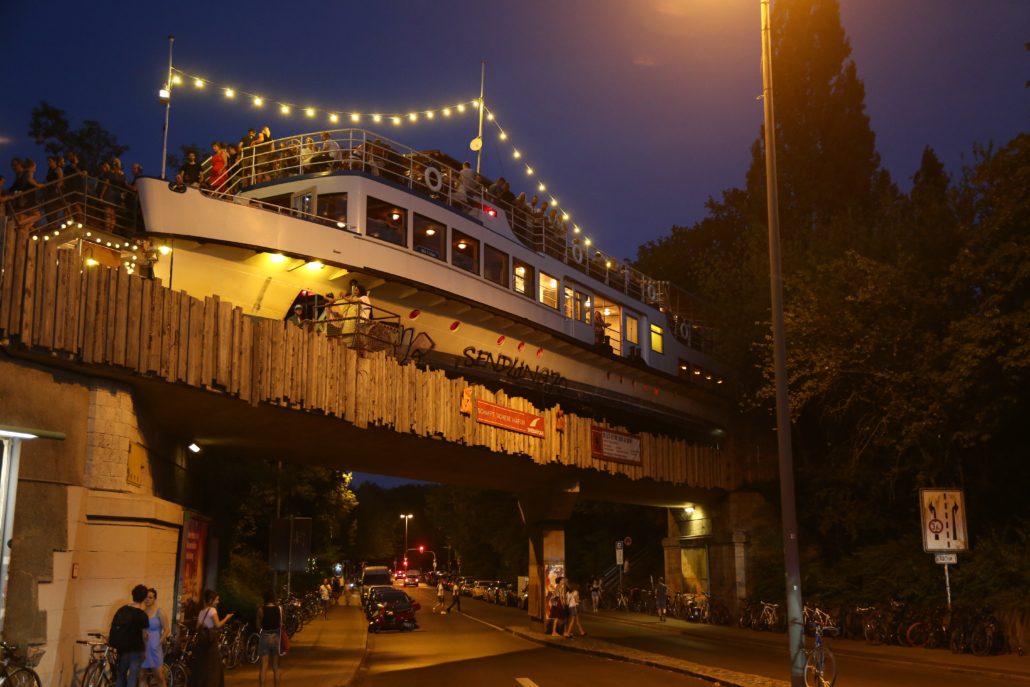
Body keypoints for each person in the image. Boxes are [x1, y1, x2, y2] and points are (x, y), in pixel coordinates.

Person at [109, 584, 150, 687]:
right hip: (136, 651)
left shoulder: (122, 610)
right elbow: (144, 635)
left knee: (121, 675)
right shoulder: (142, 615)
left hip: (123, 650)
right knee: (132, 677)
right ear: (144, 598)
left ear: (133, 595)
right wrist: (146, 649)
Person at [194, 589, 233, 687]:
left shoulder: (201, 612)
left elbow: (197, 627)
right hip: (211, 641)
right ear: (211, 600)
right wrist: (227, 618)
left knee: (204, 666)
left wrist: (204, 625)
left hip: (203, 643)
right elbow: (218, 625)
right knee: (214, 666)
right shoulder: (212, 610)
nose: (218, 602)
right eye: (217, 600)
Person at [140, 587, 170, 687]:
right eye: (145, 597)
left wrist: (159, 643)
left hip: (154, 647)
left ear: (155, 599)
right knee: (142, 676)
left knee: (159, 677)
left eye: (150, 597)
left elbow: (167, 629)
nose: (147, 599)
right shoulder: (142, 613)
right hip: (144, 647)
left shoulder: (159, 612)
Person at [256, 592, 281, 687]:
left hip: (265, 636)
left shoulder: (261, 610)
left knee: (263, 666)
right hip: (276, 636)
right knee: (275, 666)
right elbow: (281, 622)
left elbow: (258, 625)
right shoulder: (278, 609)